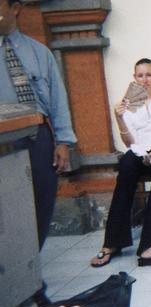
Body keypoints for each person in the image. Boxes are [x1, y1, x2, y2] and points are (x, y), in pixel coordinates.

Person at [0, 0, 77, 250]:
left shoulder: (38, 52)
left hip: (37, 137)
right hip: (3, 140)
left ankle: (31, 269)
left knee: (42, 201)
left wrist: (63, 142)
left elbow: (58, 100)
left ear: (15, 8)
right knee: (8, 210)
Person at [91, 58, 151, 268]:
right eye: (140, 76)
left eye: (149, 75)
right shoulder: (128, 105)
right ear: (134, 78)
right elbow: (129, 142)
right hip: (138, 150)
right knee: (125, 171)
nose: (145, 80)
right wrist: (119, 118)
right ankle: (112, 243)